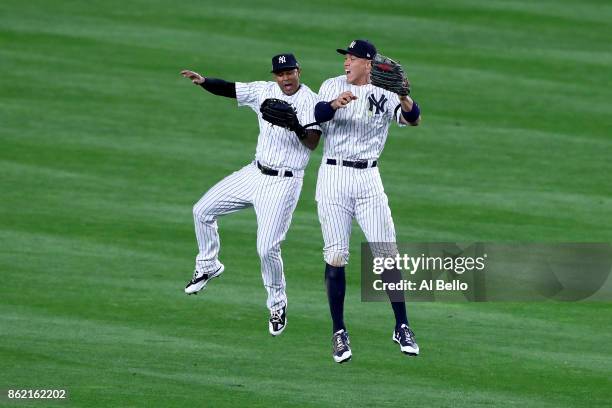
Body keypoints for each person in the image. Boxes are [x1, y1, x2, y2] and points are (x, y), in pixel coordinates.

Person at [180, 53, 321, 336]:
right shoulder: (263, 91)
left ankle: (277, 304)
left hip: (284, 183)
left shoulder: (312, 101)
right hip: (254, 172)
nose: (286, 78)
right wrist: (204, 81)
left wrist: (294, 125)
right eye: (280, 74)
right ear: (274, 76)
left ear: (298, 71)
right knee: (202, 210)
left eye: (290, 73)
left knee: (267, 248)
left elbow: (313, 143)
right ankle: (208, 265)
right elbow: (229, 88)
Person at [314, 40, 422, 363]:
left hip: (368, 180)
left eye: (352, 58)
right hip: (333, 178)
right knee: (335, 255)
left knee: (387, 252)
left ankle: (402, 325)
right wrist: (334, 104)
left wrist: (404, 96)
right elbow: (316, 114)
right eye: (345, 58)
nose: (346, 63)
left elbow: (414, 119)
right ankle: (338, 332)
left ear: (368, 64)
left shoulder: (387, 92)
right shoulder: (331, 85)